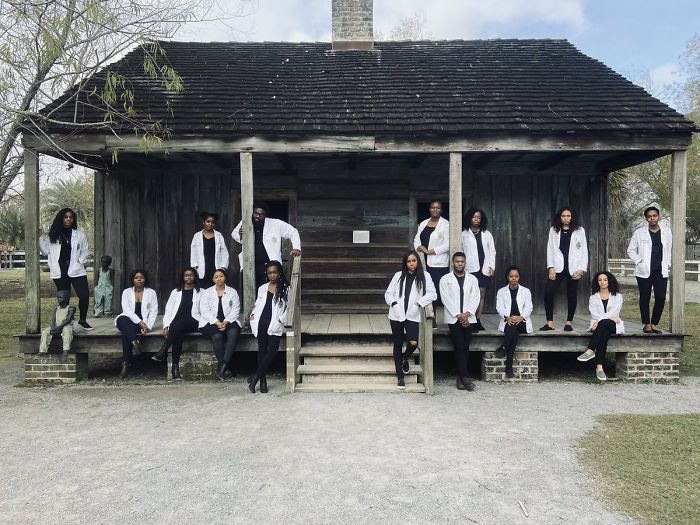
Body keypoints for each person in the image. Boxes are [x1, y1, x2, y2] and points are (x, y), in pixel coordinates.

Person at [385, 250, 437, 390]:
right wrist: (394, 304)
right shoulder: (398, 276)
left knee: (413, 342)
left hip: (413, 314)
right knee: (397, 343)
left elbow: (433, 294)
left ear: (417, 262)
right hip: (396, 314)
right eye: (408, 261)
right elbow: (388, 294)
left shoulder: (425, 276)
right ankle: (400, 377)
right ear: (405, 263)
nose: (411, 263)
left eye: (414, 260)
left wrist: (419, 303)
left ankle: (403, 358)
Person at [39, 208, 93, 330]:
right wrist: (41, 238)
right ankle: (65, 321)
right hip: (60, 269)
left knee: (84, 295)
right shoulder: (52, 235)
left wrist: (80, 260)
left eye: (71, 217)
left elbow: (84, 250)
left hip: (76, 268)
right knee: (64, 297)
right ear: (61, 218)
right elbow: (45, 251)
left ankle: (83, 320)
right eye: (66, 217)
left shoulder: (79, 234)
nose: (68, 219)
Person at [231, 202, 301, 290]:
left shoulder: (275, 224)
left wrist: (296, 248)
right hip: (250, 265)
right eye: (256, 213)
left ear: (265, 215)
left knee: (270, 290)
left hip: (269, 266)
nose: (257, 216)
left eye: (261, 214)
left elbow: (293, 232)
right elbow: (234, 234)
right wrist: (240, 235)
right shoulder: (245, 222)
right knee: (251, 291)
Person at [540, 206, 588, 332]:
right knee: (549, 292)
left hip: (573, 266)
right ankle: (549, 323)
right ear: (559, 217)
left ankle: (569, 322)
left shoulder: (579, 230)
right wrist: (550, 267)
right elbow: (549, 249)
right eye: (563, 216)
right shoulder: (554, 230)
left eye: (568, 216)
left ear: (572, 217)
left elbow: (584, 251)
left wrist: (582, 268)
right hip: (557, 266)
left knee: (572, 294)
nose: (566, 218)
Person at [627, 206, 672, 334]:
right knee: (645, 297)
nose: (652, 218)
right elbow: (630, 250)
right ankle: (646, 324)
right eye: (649, 216)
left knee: (661, 297)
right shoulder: (639, 232)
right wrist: (639, 261)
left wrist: (668, 264)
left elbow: (668, 250)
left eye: (654, 216)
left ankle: (654, 324)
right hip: (644, 270)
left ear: (659, 216)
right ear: (646, 218)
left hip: (660, 270)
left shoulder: (667, 232)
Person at [152, 268, 203, 380]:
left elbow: (204, 310)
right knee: (178, 334)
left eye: (191, 275)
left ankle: (163, 350)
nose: (189, 277)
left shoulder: (201, 292)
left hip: (194, 321)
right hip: (178, 324)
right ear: (183, 277)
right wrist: (166, 326)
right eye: (186, 275)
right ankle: (175, 369)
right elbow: (169, 310)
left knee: (181, 323)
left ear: (195, 277)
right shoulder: (176, 292)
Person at [440, 252, 480, 391]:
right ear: (453, 262)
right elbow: (446, 299)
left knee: (465, 347)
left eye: (462, 261)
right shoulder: (445, 279)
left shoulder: (473, 279)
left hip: (469, 318)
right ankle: (466, 378)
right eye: (457, 261)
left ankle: (460, 378)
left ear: (465, 262)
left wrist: (467, 314)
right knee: (459, 346)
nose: (460, 264)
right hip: (454, 318)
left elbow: (476, 297)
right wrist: (459, 315)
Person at [248, 261, 289, 393]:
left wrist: (280, 320)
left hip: (274, 322)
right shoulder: (262, 288)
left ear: (279, 273)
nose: (272, 275)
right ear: (267, 273)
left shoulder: (286, 288)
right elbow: (257, 304)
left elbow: (289, 308)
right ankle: (263, 381)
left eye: (275, 272)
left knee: (272, 351)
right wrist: (253, 315)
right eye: (270, 273)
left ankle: (255, 377)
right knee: (262, 351)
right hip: (261, 321)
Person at [577, 272, 625, 381]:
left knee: (603, 324)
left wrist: (598, 321)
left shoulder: (617, 296)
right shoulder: (593, 298)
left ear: (609, 281)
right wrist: (607, 319)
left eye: (605, 279)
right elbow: (594, 314)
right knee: (604, 332)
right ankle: (599, 367)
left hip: (613, 325)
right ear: (597, 282)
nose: (602, 282)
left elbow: (614, 312)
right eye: (600, 280)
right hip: (603, 325)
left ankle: (590, 350)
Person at [198, 269, 242, 380]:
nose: (219, 279)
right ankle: (225, 367)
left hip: (229, 320)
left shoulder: (232, 292)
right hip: (210, 321)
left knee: (233, 332)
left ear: (225, 277)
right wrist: (217, 323)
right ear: (213, 279)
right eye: (216, 277)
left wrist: (226, 322)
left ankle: (223, 365)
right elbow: (204, 310)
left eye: (221, 276)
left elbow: (236, 309)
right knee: (217, 337)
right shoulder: (207, 292)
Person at [115, 269, 158, 378]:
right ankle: (135, 342)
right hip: (129, 320)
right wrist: (139, 322)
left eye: (141, 277)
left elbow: (153, 311)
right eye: (136, 278)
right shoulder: (127, 292)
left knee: (126, 334)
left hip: (143, 324)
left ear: (145, 279)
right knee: (121, 319)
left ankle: (125, 364)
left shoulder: (151, 292)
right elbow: (127, 311)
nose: (139, 279)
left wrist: (148, 326)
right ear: (132, 280)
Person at [494, 266, 533, 378]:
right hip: (509, 321)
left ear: (519, 277)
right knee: (513, 332)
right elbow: (499, 307)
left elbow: (529, 307)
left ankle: (504, 347)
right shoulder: (501, 291)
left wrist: (521, 317)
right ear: (508, 277)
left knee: (514, 327)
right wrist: (507, 318)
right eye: (511, 276)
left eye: (516, 276)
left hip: (522, 321)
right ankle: (509, 367)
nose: (514, 278)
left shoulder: (526, 291)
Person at [462, 207, 496, 332]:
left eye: (479, 217)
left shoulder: (487, 234)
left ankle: (478, 319)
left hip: (484, 267)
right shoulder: (464, 234)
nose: (476, 219)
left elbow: (492, 251)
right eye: (474, 217)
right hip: (470, 268)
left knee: (482, 294)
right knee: (470, 294)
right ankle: (469, 320)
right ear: (470, 218)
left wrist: (492, 266)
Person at [414, 200, 449, 307]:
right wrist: (418, 247)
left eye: (438, 208)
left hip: (438, 263)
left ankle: (436, 317)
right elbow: (417, 238)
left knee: (436, 290)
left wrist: (429, 251)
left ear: (441, 210)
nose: (435, 209)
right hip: (423, 261)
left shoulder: (446, 224)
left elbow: (448, 244)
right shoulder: (423, 223)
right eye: (433, 207)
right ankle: (430, 318)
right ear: (429, 209)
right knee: (425, 288)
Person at [190, 212, 229, 288]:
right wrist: (195, 268)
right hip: (202, 269)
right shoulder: (197, 236)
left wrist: (223, 268)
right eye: (208, 221)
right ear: (203, 222)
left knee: (215, 291)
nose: (210, 224)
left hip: (215, 268)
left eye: (212, 222)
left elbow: (224, 252)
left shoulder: (219, 236)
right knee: (202, 291)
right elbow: (193, 253)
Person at [39, 290, 76, 357]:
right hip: (56, 327)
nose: (59, 299)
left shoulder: (71, 308)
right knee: (45, 332)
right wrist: (53, 327)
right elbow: (53, 319)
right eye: (58, 297)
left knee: (67, 331)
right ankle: (42, 350)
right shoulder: (56, 309)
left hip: (65, 326)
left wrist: (59, 327)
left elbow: (68, 320)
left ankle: (66, 350)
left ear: (67, 298)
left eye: (61, 297)